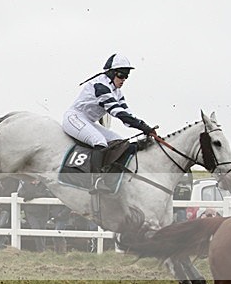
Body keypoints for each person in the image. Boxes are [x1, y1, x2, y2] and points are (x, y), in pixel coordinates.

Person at [62, 53, 159, 192]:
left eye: (126, 76)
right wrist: (143, 127)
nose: (124, 79)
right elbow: (118, 113)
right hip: (74, 118)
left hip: (88, 121)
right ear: (111, 73)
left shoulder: (117, 92)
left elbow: (127, 113)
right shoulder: (100, 86)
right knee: (99, 142)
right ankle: (95, 181)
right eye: (121, 75)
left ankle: (110, 176)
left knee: (120, 142)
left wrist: (145, 127)